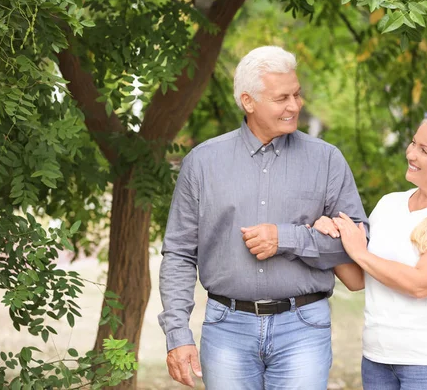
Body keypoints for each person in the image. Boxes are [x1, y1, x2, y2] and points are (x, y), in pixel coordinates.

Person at [158, 45, 369, 390]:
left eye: (297, 94)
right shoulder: (202, 163)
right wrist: (178, 334)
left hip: (303, 327)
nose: (295, 105)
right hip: (226, 328)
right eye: (281, 97)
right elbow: (179, 253)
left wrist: (286, 238)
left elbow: (358, 247)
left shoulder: (327, 160)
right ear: (248, 101)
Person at [312, 112, 427, 390]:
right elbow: (357, 281)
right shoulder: (389, 204)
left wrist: (360, 253)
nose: (411, 153)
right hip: (377, 361)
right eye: (413, 143)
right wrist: (329, 237)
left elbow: (420, 284)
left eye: (423, 150)